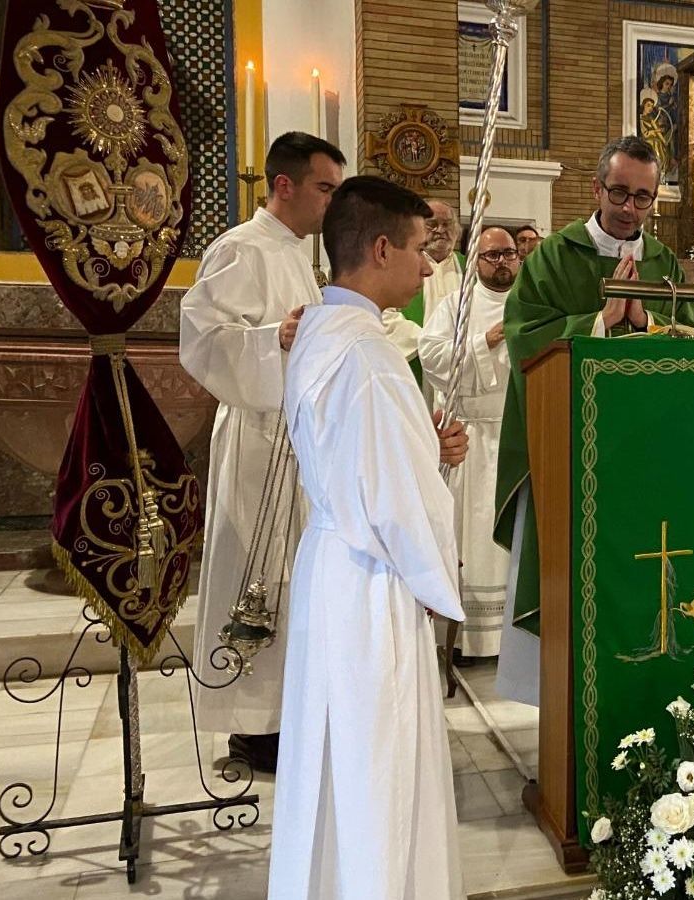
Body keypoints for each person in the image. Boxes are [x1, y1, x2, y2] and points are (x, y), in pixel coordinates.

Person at [268, 176, 471, 899]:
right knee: (378, 763)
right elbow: (397, 506)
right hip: (373, 580)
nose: (427, 267)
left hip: (333, 563)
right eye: (420, 250)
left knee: (337, 753)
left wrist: (425, 447)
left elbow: (361, 460)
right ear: (381, 248)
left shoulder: (322, 329)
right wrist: (439, 582)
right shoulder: (372, 358)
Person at [493, 134, 694, 706]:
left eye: (643, 198)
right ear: (597, 188)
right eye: (619, 193)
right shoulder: (552, 256)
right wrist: (597, 322)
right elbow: (523, 338)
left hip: (644, 456)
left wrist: (646, 325)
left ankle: (635, 690)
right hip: (571, 447)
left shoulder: (663, 264)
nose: (630, 208)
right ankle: (564, 703)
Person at [179, 132, 343, 773]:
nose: (331, 203)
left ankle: (289, 714)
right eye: (324, 188)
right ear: (284, 185)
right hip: (256, 437)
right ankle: (252, 724)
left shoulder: (298, 255)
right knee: (255, 573)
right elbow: (201, 337)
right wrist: (273, 336)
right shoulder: (241, 249)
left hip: (297, 440)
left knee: (292, 577)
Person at [418, 225, 519, 659]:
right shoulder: (454, 305)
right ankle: (465, 637)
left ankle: (509, 635)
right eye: (492, 255)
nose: (502, 262)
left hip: (517, 435)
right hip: (470, 440)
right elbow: (431, 355)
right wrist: (488, 339)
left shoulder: (531, 304)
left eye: (509, 254)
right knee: (471, 538)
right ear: (473, 260)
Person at [387, 199, 465, 388]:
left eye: (447, 224)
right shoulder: (400, 267)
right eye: (432, 224)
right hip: (416, 365)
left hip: (461, 364)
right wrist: (430, 343)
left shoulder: (471, 269)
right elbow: (385, 314)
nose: (440, 230)